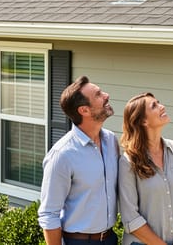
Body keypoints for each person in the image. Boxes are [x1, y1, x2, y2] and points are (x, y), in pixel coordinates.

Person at [38, 76, 119, 245]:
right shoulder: (62, 155)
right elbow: (49, 214)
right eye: (98, 95)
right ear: (84, 110)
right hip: (79, 241)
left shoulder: (111, 141)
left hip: (110, 238)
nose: (106, 95)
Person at [118, 93, 173, 245]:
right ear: (143, 121)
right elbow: (130, 217)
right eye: (154, 106)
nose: (162, 106)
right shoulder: (128, 162)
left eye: (158, 102)